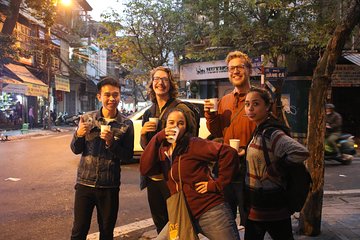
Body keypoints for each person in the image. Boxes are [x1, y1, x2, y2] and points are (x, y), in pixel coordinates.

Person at [140, 108, 240, 240]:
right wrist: (157, 137)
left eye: (180, 123)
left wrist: (217, 184)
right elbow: (145, 168)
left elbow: (229, 153)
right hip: (181, 212)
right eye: (171, 122)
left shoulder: (193, 144)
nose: (175, 126)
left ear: (186, 127)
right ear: (165, 126)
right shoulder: (163, 149)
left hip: (210, 211)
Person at [70, 77, 134, 240]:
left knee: (106, 232)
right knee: (78, 231)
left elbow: (127, 156)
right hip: (85, 183)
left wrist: (111, 143)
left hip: (109, 186)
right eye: (107, 95)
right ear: (99, 96)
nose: (112, 99)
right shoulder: (87, 118)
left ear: (119, 96)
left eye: (115, 95)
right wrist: (78, 134)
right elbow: (76, 149)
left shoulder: (126, 124)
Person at [243, 87, 309, 240]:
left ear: (267, 107)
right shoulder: (258, 131)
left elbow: (301, 152)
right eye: (247, 104)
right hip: (257, 203)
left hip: (271, 205)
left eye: (256, 104)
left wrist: (276, 169)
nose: (250, 108)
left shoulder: (271, 133)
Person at [140, 66, 197, 233]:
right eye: (156, 79)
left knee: (177, 224)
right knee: (160, 225)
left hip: (173, 175)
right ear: (151, 84)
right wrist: (143, 134)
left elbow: (192, 140)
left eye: (164, 79)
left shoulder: (182, 109)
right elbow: (145, 147)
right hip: (153, 178)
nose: (160, 83)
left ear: (171, 84)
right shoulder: (149, 112)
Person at [204, 50, 257, 228]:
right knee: (225, 219)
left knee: (251, 219)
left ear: (249, 70)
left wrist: (247, 150)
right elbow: (218, 131)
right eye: (231, 68)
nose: (235, 71)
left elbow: (267, 132)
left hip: (250, 169)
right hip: (226, 167)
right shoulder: (224, 100)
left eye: (239, 67)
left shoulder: (258, 98)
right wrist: (210, 115)